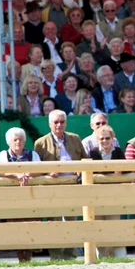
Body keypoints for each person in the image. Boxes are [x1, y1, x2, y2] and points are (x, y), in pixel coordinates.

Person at [34, 109, 87, 260]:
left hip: (72, 186)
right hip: (52, 189)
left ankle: (70, 255)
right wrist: (47, 173)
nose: (59, 125)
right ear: (49, 124)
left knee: (72, 222)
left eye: (62, 122)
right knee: (53, 222)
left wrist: (80, 169)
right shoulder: (41, 143)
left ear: (66, 123)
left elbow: (85, 159)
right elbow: (36, 167)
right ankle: (55, 256)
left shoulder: (75, 138)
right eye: (56, 122)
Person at [0, 127, 41, 262]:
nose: (18, 142)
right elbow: (0, 172)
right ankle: (19, 257)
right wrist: (17, 174)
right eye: (15, 140)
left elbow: (39, 170)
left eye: (20, 140)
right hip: (10, 198)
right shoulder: (4, 155)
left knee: (30, 225)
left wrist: (28, 174)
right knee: (14, 226)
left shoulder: (33, 155)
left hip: (30, 197)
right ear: (9, 142)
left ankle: (28, 258)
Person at [88, 124, 127, 258]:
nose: (105, 141)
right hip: (97, 195)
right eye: (102, 139)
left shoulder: (117, 152)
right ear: (97, 140)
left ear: (112, 138)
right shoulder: (93, 152)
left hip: (114, 195)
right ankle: (102, 255)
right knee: (98, 224)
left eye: (107, 138)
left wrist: (121, 171)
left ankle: (117, 255)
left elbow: (127, 169)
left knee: (114, 224)